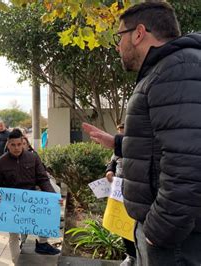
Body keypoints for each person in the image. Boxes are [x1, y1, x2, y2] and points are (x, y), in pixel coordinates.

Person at [82, 2, 201, 265]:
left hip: (175, 241)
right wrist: (119, 143)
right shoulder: (171, 69)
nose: (117, 46)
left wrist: (159, 231)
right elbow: (167, 143)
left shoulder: (175, 71)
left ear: (139, 33)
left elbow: (189, 162)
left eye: (119, 36)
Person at [0, 129, 61, 264]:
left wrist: (53, 196)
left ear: (23, 143)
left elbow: (43, 179)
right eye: (13, 145)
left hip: (31, 202)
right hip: (11, 205)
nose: (17, 148)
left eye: (19, 144)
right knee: (13, 235)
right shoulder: (1, 163)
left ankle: (42, 244)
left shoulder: (33, 157)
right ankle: (17, 262)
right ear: (8, 144)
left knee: (35, 227)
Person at [103, 124, 136, 266]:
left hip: (137, 191)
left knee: (135, 225)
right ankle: (131, 256)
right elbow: (112, 162)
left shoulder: (139, 148)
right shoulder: (117, 151)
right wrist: (109, 171)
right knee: (123, 225)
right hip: (120, 192)